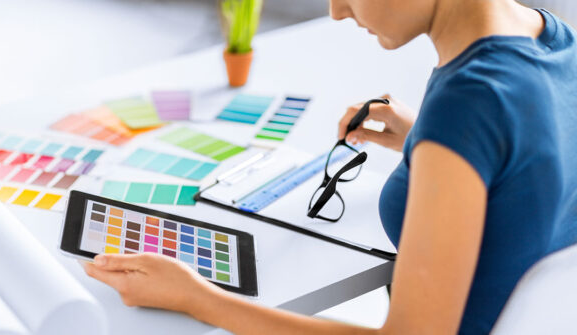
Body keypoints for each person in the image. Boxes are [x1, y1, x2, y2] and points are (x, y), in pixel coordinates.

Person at [83, 0, 577, 333]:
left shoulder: (469, 104)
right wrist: (430, 144)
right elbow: (532, 180)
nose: (337, 11)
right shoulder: (551, 35)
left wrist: (199, 299)